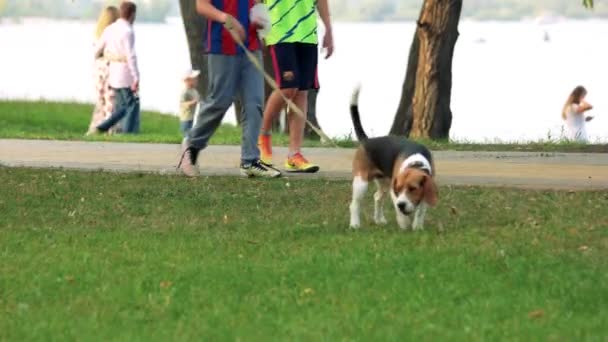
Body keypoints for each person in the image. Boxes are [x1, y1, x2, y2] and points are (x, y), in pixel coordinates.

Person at [177, 0, 280, 178]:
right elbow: (201, 6)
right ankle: (192, 145)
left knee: (254, 102)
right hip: (221, 46)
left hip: (251, 46)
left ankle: (250, 160)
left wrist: (260, 21)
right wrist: (225, 18)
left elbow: (255, 5)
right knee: (220, 101)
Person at [258, 0, 334, 173]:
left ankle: (294, 155)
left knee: (301, 92)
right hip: (279, 29)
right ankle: (262, 136)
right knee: (288, 87)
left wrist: (328, 29)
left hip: (307, 31)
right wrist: (259, 25)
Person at [89, 1, 141, 135]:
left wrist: (108, 56)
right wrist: (136, 76)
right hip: (125, 74)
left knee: (122, 106)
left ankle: (104, 127)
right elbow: (131, 56)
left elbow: (96, 50)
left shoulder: (110, 29)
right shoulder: (128, 31)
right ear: (132, 14)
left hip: (113, 74)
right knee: (133, 104)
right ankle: (127, 133)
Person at [86, 6, 119, 135]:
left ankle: (96, 129)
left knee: (101, 102)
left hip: (98, 72)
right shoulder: (113, 36)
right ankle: (109, 130)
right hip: (110, 71)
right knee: (111, 103)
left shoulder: (98, 35)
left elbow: (96, 54)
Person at [179, 69, 201, 138]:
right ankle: (186, 146)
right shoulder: (185, 92)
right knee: (186, 134)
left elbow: (198, 99)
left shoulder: (194, 90)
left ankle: (189, 145)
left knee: (191, 133)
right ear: (188, 80)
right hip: (186, 117)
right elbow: (182, 104)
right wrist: (193, 102)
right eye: (194, 79)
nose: (197, 80)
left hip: (192, 116)